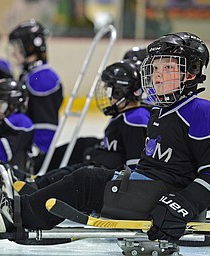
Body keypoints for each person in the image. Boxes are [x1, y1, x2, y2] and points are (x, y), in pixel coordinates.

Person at [0, 32, 210, 243]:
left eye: (169, 68)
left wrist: (183, 205)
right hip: (150, 187)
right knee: (88, 175)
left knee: (88, 182)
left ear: (191, 73)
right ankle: (23, 203)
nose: (158, 75)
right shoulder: (160, 112)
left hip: (167, 196)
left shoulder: (202, 111)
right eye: (156, 68)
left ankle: (17, 215)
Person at [10, 59, 150, 191]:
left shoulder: (135, 119)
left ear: (121, 92)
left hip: (110, 182)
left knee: (76, 175)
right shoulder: (127, 116)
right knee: (77, 156)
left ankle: (31, 193)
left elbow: (135, 167)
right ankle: (33, 180)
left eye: (110, 90)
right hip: (105, 168)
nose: (108, 96)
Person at [8, 19, 64, 173]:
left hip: (35, 153)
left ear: (29, 47)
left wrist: (36, 151)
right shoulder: (31, 75)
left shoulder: (43, 77)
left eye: (17, 47)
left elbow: (46, 123)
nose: (14, 52)